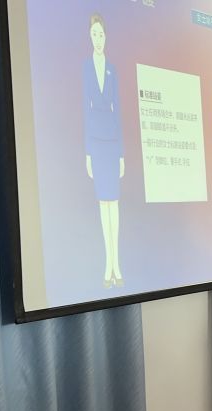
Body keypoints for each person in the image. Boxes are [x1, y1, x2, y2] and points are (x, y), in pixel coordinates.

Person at [83, 13, 125, 288]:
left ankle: (116, 264)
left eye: (101, 34)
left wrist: (121, 154)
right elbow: (84, 108)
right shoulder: (86, 67)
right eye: (94, 34)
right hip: (96, 143)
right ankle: (107, 264)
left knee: (114, 204)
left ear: (106, 37)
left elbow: (118, 110)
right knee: (103, 204)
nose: (98, 39)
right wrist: (88, 152)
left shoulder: (112, 69)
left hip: (111, 142)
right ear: (90, 37)